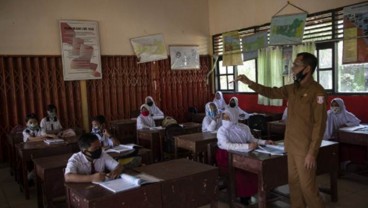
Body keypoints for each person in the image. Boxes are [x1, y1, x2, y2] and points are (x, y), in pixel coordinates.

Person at [235, 52, 327, 208]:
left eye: (296, 65)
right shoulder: (292, 88)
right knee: (294, 186)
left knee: (308, 188)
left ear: (307, 69)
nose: (292, 68)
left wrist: (312, 152)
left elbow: (320, 124)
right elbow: (271, 92)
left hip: (305, 149)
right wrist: (250, 82)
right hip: (291, 145)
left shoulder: (317, 92)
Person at [216, 109, 273, 205]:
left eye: (228, 117)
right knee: (242, 175)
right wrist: (247, 146)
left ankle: (258, 193)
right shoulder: (221, 130)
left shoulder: (243, 127)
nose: (225, 120)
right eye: (224, 117)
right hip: (226, 157)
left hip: (243, 154)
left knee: (255, 170)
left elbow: (251, 139)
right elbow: (227, 145)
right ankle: (243, 198)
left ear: (234, 116)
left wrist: (264, 142)